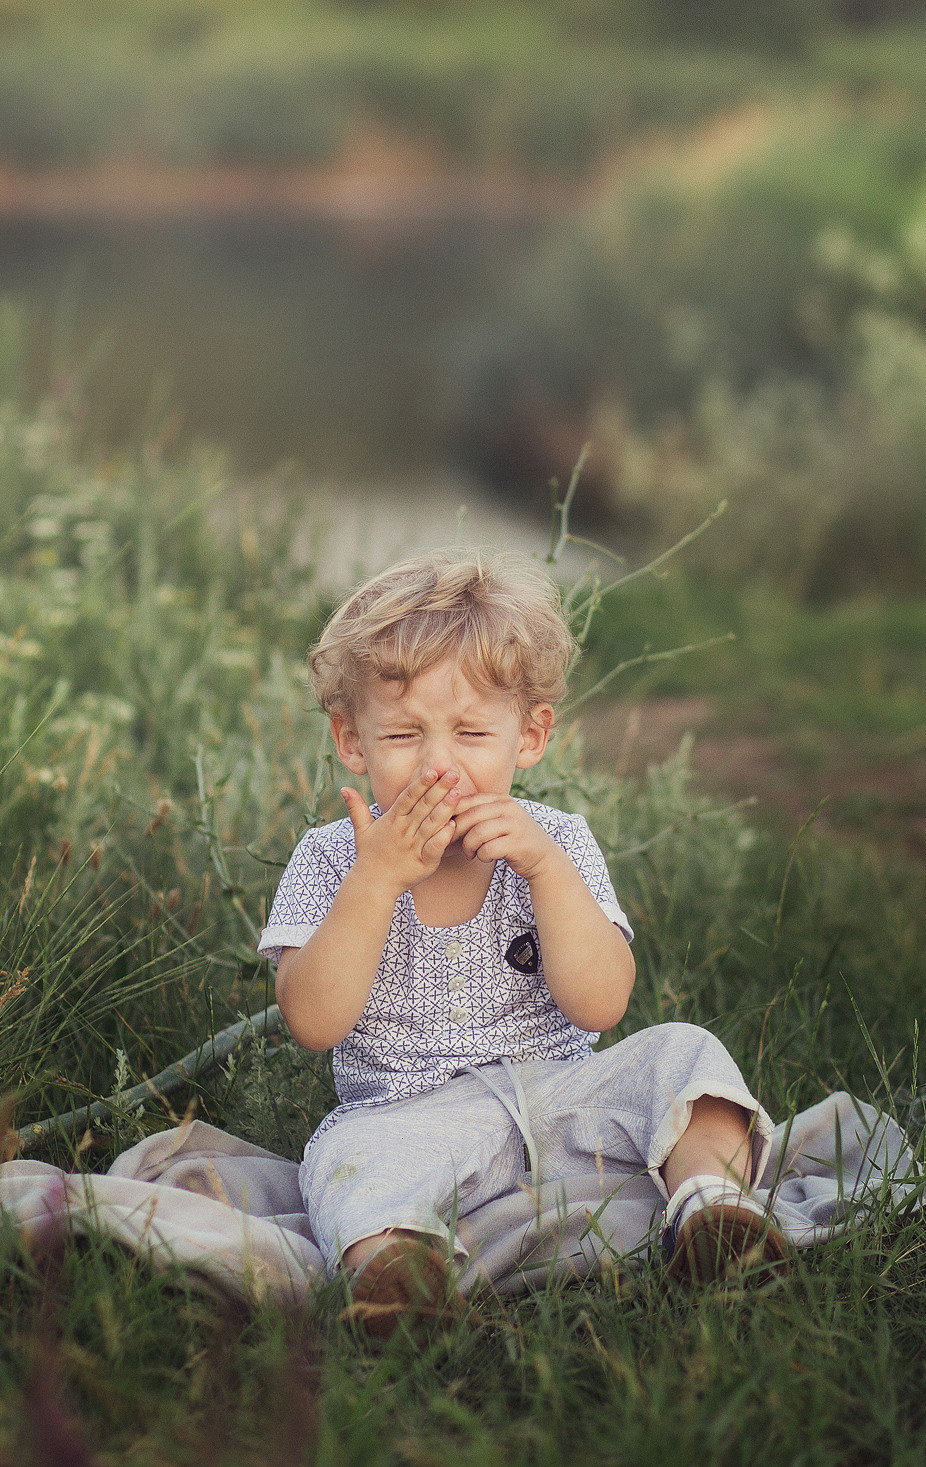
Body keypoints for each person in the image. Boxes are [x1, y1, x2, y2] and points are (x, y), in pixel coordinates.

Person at [257, 548, 784, 1334]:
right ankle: (399, 1275)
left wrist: (544, 869)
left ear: (529, 736)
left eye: (472, 731)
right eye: (403, 734)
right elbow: (313, 1020)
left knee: (682, 1053)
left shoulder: (556, 842)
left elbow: (602, 1001)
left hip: (564, 1101)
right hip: (410, 1119)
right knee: (347, 1163)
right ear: (351, 739)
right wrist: (376, 881)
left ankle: (710, 1206)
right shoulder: (334, 858)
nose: (441, 765)